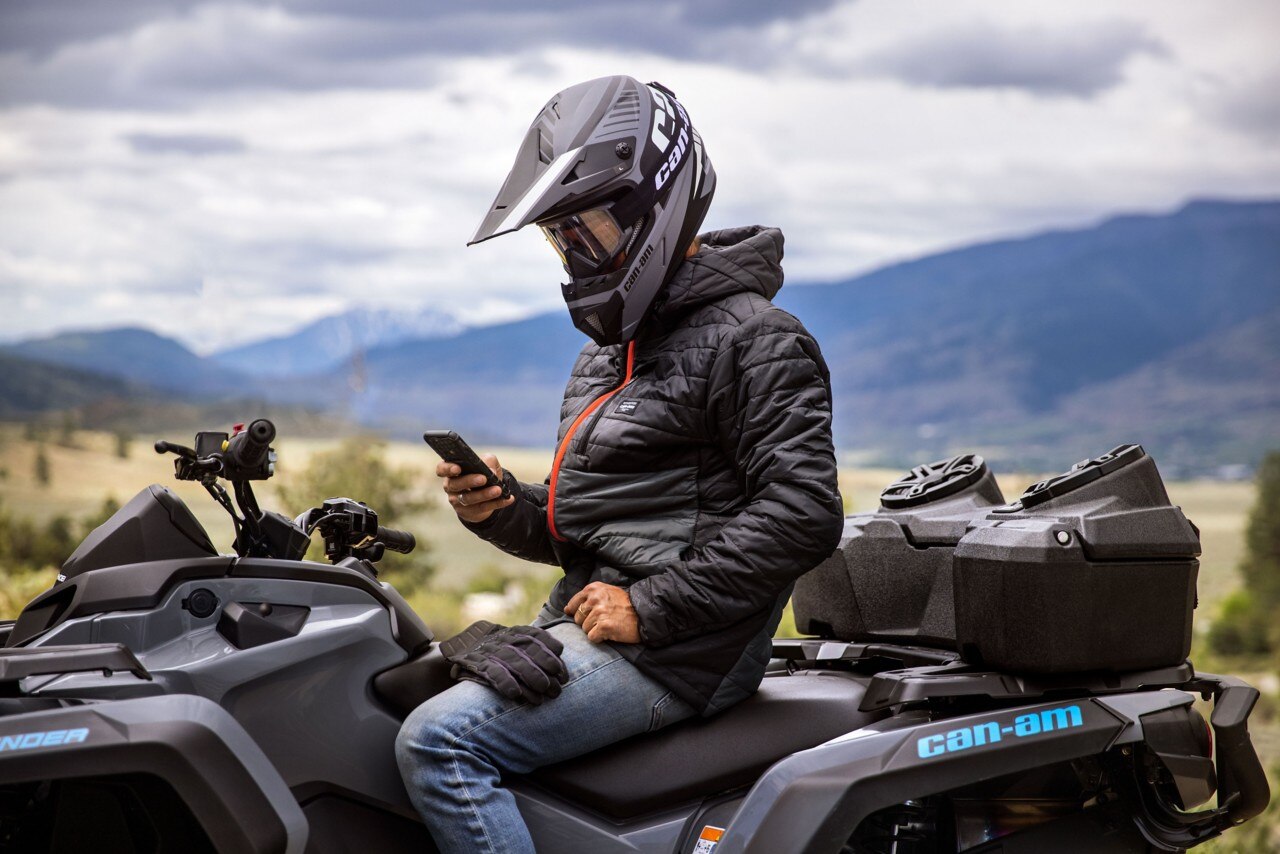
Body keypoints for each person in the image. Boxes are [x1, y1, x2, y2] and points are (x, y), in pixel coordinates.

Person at [395, 75, 844, 854]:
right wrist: (501, 507)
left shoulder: (757, 337)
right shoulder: (610, 356)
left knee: (440, 744)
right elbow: (594, 529)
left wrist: (654, 606)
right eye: (559, 237)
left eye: (587, 230)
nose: (574, 253)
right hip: (597, 622)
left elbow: (803, 511)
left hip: (683, 652)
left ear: (654, 208)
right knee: (385, 686)